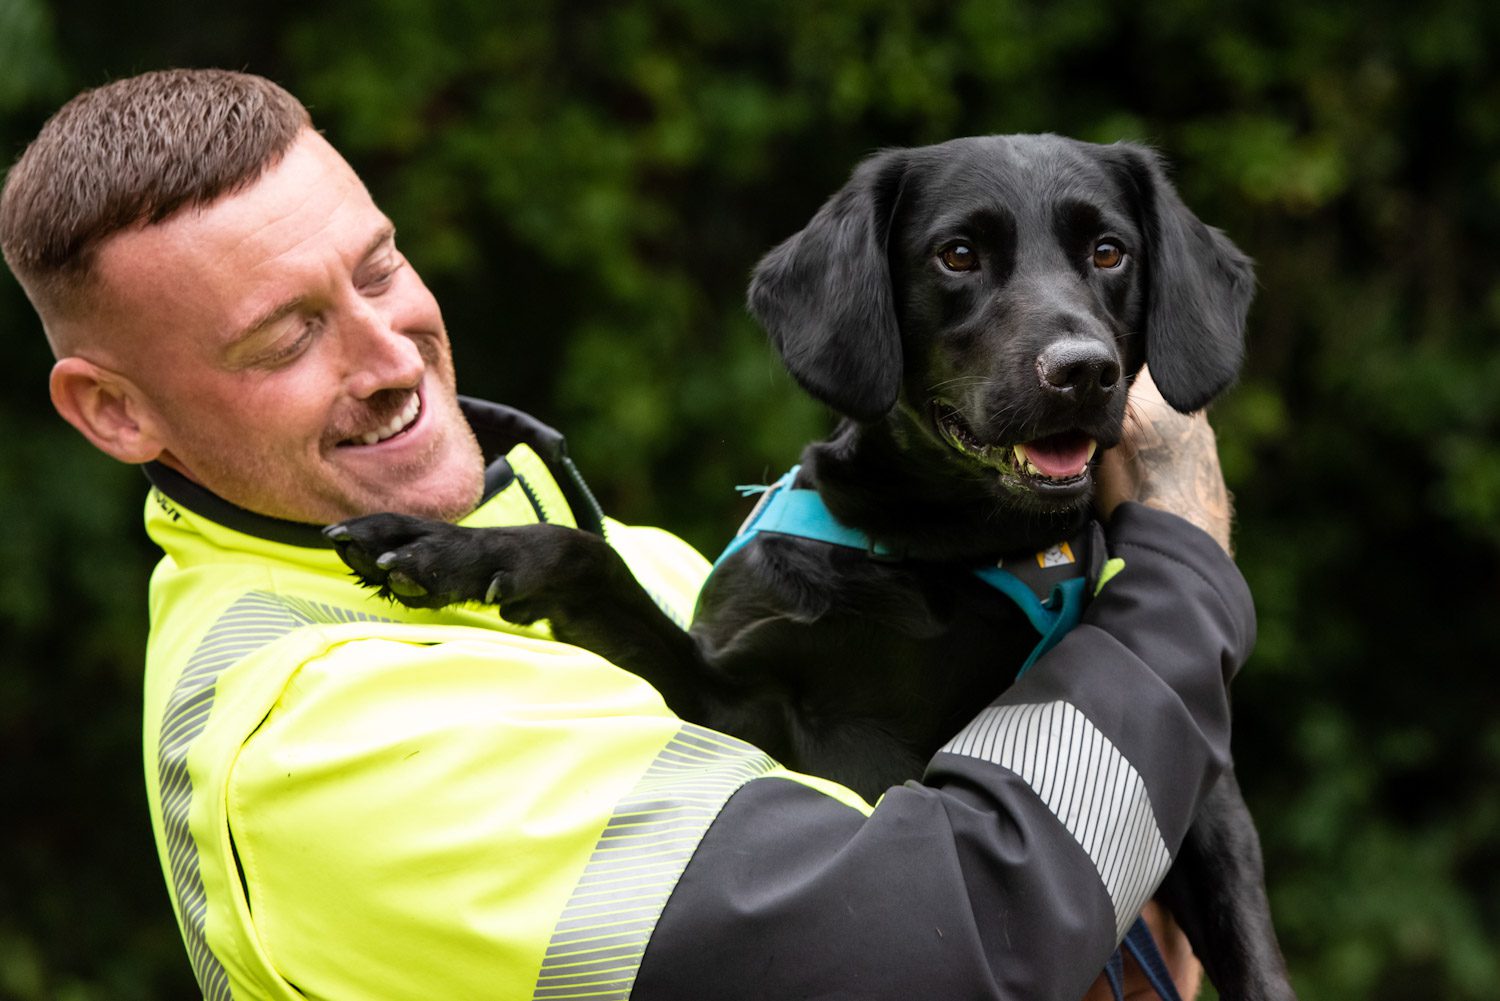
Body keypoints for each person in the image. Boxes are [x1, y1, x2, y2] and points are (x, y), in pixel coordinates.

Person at [0, 69, 1249, 1001]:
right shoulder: (320, 741)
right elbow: (943, 945)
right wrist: (1181, 563)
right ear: (113, 408)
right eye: (285, 336)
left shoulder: (626, 558)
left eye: (380, 272)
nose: (391, 358)